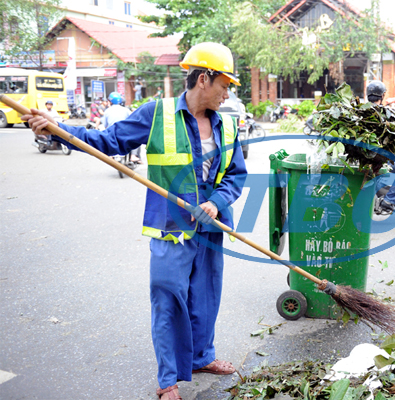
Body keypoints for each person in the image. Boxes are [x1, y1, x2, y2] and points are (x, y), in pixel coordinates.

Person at [23, 42, 248, 400]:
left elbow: (236, 175)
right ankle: (168, 379)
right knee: (168, 298)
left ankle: (202, 357)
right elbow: (108, 141)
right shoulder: (156, 113)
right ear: (203, 79)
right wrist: (56, 129)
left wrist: (218, 204)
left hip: (210, 227)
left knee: (206, 296)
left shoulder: (229, 126)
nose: (227, 93)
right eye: (224, 85)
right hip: (171, 227)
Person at [367, 80, 395, 214]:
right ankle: (389, 201)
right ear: (382, 96)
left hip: (360, 156)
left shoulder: (358, 111)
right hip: (377, 158)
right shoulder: (385, 114)